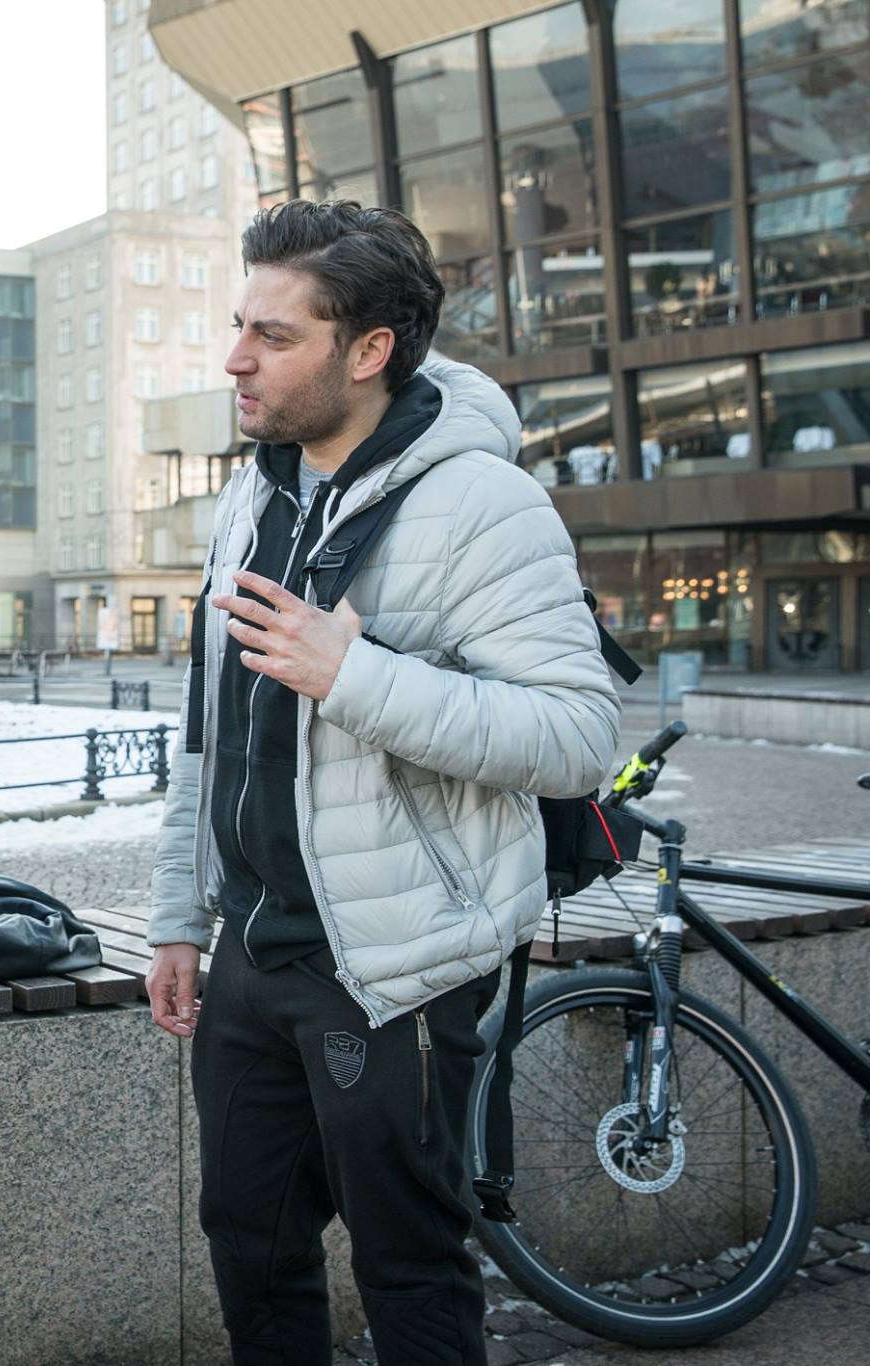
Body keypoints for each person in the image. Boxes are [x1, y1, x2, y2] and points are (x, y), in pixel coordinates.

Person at [143, 201, 622, 1365]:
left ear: (368, 351)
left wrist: (353, 675)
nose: (233, 358)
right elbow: (207, 727)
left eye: (272, 334)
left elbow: (575, 736)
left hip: (393, 965)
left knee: (407, 1263)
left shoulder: (481, 503)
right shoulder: (250, 494)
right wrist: (175, 917)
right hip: (253, 958)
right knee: (246, 1248)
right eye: (235, 325)